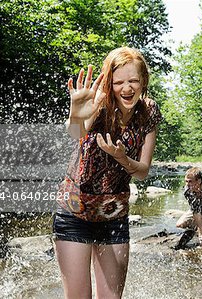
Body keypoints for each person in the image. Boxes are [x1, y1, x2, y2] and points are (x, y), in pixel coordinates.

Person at [53, 46, 161, 298]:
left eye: (134, 80)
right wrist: (76, 115)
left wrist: (123, 158)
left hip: (114, 214)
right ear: (109, 82)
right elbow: (75, 133)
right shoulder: (98, 101)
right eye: (119, 82)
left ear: (143, 80)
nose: (127, 88)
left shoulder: (149, 112)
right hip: (74, 212)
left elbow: (142, 172)